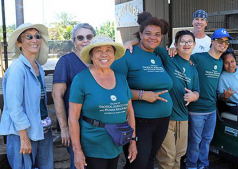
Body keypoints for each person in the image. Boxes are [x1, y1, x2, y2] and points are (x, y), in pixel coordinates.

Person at [124, 30, 200, 169]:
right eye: (182, 41)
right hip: (167, 117)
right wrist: (129, 42)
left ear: (194, 44)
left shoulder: (193, 68)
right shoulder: (167, 57)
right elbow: (148, 42)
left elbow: (197, 90)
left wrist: (195, 96)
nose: (186, 44)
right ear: (175, 44)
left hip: (183, 118)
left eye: (189, 41)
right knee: (167, 157)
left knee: (179, 155)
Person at [111, 12, 173, 169]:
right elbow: (113, 89)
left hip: (163, 119)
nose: (153, 37)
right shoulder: (127, 55)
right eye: (148, 33)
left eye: (157, 34)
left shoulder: (159, 54)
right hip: (138, 120)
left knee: (150, 159)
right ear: (140, 34)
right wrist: (141, 95)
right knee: (137, 163)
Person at [68, 34, 137, 169]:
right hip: (93, 144)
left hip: (115, 142)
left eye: (108, 50)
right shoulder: (81, 79)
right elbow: (73, 118)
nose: (104, 54)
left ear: (114, 54)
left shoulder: (121, 78)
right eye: (98, 50)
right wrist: (77, 150)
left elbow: (130, 112)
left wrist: (133, 141)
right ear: (91, 55)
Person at [0, 23, 53, 168]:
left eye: (37, 36)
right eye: (28, 36)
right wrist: (23, 137)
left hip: (42, 129)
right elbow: (14, 106)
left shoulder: (38, 66)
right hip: (22, 134)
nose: (34, 40)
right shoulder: (18, 69)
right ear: (19, 43)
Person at [185, 28, 231, 169]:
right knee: (195, 141)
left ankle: (203, 165)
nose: (223, 44)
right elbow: (181, 62)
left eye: (226, 42)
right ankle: (192, 165)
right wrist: (173, 50)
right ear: (212, 41)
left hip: (211, 109)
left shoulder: (221, 63)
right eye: (220, 41)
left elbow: (233, 68)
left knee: (206, 141)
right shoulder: (198, 57)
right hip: (196, 109)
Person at [52, 23, 96, 169]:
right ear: (74, 42)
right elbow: (57, 96)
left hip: (97, 126)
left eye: (89, 36)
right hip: (75, 125)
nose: (85, 40)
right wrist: (64, 128)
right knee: (79, 163)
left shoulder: (100, 60)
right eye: (80, 37)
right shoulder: (66, 62)